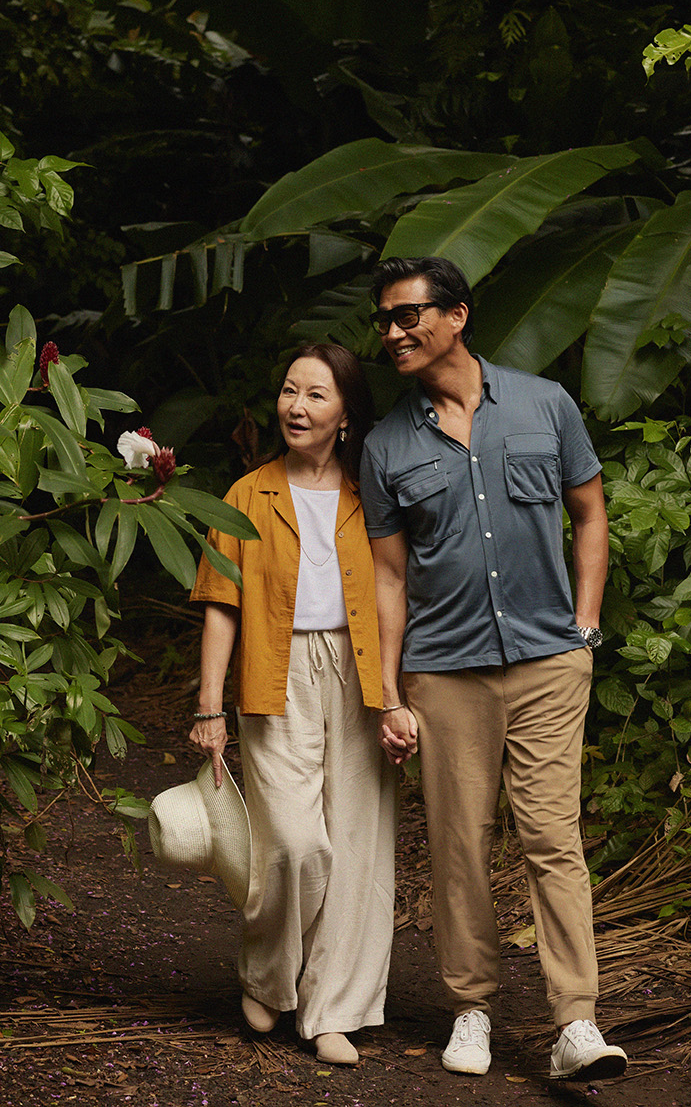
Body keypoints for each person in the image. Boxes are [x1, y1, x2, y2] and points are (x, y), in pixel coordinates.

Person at [362, 255, 626, 1082]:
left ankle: (575, 1023)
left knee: (554, 838)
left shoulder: (545, 405)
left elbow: (590, 514)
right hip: (443, 674)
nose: (394, 333)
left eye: (408, 316)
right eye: (385, 321)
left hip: (550, 663)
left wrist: (584, 628)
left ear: (457, 316)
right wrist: (389, 690)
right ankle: (470, 1008)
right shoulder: (385, 444)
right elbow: (389, 577)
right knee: (459, 846)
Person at [187, 343, 399, 1067]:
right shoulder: (246, 494)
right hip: (274, 670)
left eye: (315, 395)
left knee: (360, 845)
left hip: (361, 670)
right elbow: (220, 604)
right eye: (288, 391)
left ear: (345, 413)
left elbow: (404, 593)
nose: (296, 406)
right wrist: (209, 706)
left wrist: (402, 693)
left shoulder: (374, 493)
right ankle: (269, 977)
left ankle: (334, 1006)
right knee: (295, 843)